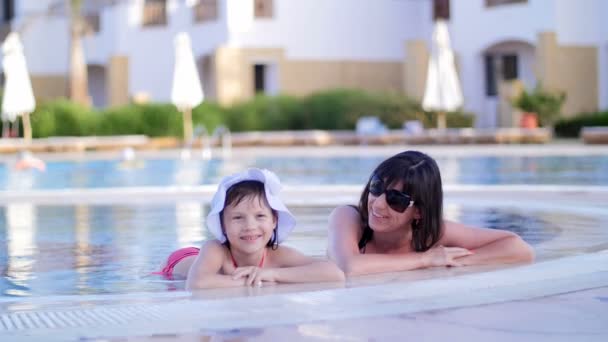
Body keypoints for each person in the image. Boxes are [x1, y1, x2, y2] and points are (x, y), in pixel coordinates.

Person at [327, 150, 535, 276]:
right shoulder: (348, 218)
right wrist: (425, 260)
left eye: (395, 199)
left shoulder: (430, 234)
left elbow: (518, 248)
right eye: (376, 187)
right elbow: (348, 266)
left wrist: (452, 260)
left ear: (419, 212)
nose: (378, 204)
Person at [157, 168, 345, 289]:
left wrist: (271, 274)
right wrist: (251, 281)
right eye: (238, 218)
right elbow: (197, 283)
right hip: (181, 260)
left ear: (274, 221)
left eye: (260, 216)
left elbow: (334, 273)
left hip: (207, 263)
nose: (250, 226)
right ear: (223, 224)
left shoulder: (277, 255)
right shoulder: (215, 249)